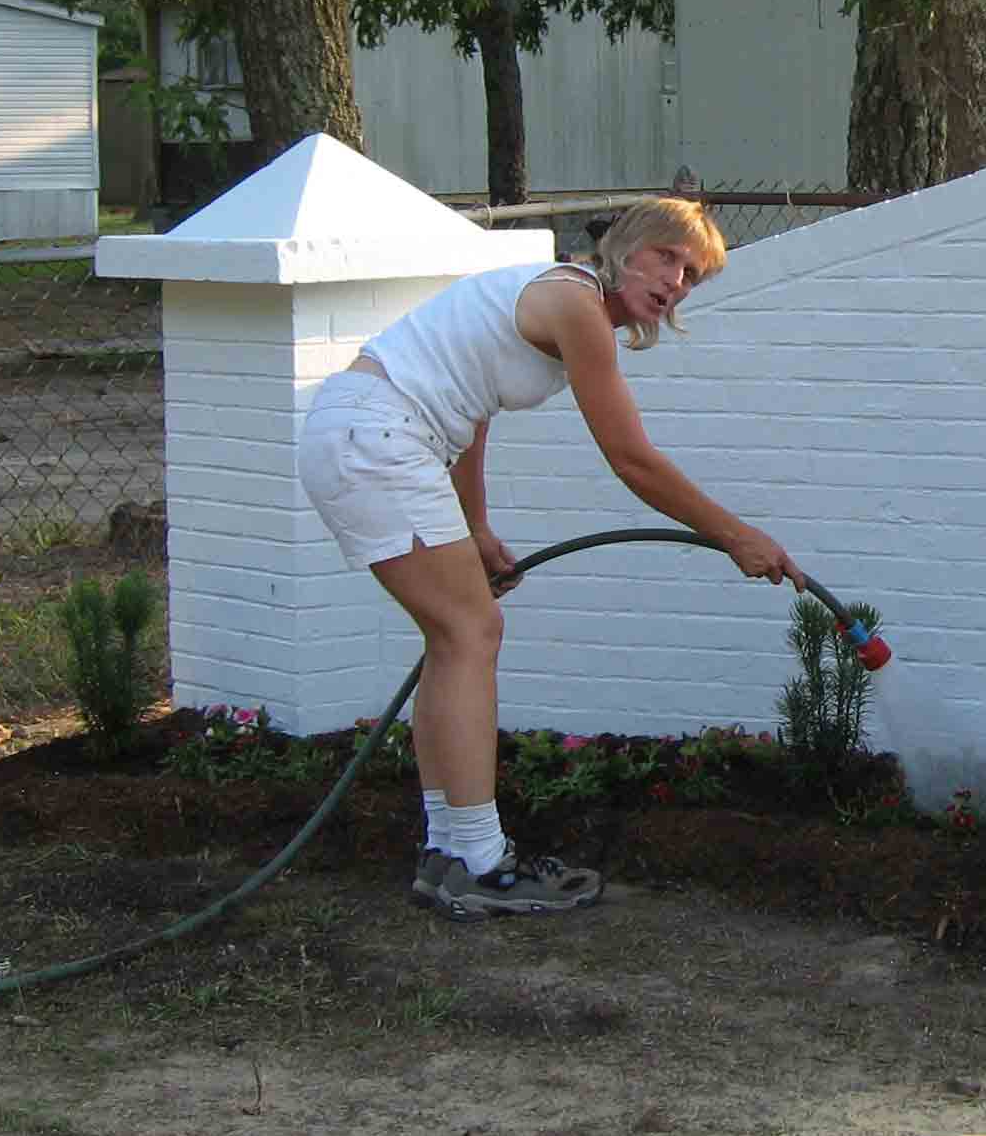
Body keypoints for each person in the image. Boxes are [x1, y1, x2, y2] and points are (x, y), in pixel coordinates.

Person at [296, 196, 798, 918]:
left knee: (453, 637)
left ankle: (448, 853)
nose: (675, 281)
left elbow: (471, 410)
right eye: (667, 257)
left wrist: (474, 525)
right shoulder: (574, 304)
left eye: (692, 276)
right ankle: (480, 861)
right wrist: (735, 535)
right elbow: (632, 460)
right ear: (626, 248)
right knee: (472, 632)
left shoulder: (559, 299)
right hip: (378, 440)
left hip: (371, 437)